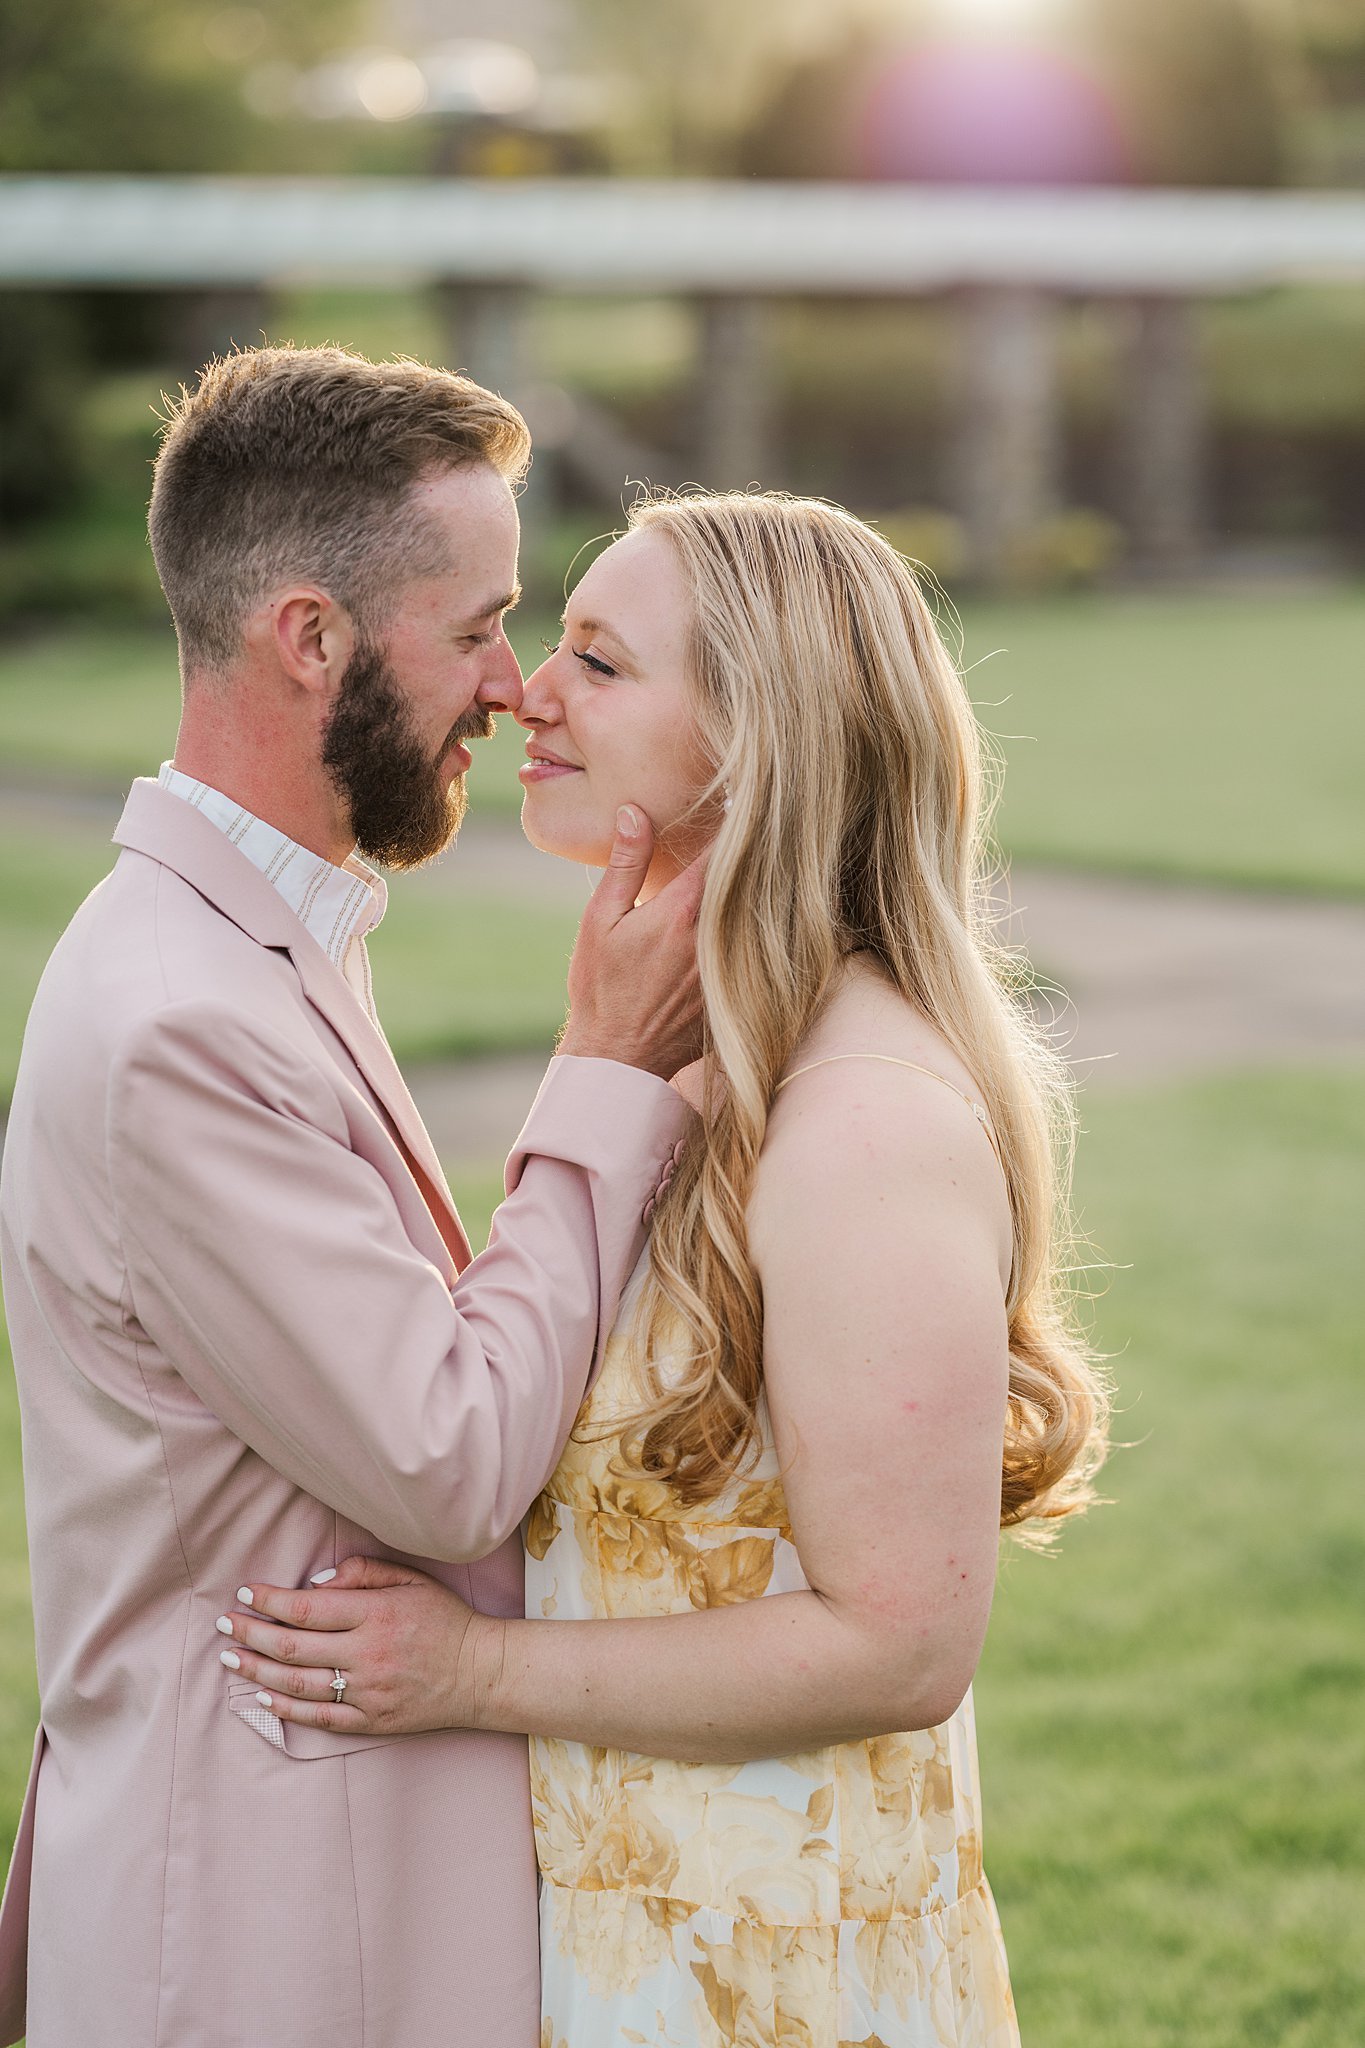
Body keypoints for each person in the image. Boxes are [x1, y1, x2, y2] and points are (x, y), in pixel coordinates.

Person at [215, 492, 1112, 2047]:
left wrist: (472, 1672)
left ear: (756, 743)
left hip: (771, 1970)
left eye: (600, 664)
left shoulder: (860, 1127)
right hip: (625, 1936)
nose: (524, 692)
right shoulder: (688, 1063)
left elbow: (900, 1641)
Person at [0, 346, 707, 2048]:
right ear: (309, 639)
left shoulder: (253, 941)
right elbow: (445, 1456)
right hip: (258, 1928)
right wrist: (603, 1074)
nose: (511, 684)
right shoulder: (182, 1021)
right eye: (475, 627)